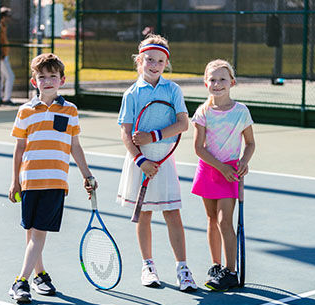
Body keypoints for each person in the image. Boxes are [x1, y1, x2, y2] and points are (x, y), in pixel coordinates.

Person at [8, 53, 96, 302]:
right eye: (42, 77)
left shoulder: (70, 110)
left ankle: (20, 281)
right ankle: (39, 276)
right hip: (29, 181)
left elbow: (75, 146)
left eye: (53, 76)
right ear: (34, 81)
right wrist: (15, 181)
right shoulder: (25, 111)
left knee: (38, 233)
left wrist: (87, 174)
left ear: (62, 80)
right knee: (32, 231)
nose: (48, 80)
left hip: (56, 181)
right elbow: (19, 148)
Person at [116, 34, 198, 292]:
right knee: (144, 214)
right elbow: (126, 133)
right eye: (150, 59)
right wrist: (140, 160)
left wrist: (154, 136)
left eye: (160, 61)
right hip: (140, 161)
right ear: (140, 60)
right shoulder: (131, 94)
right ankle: (148, 266)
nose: (154, 64)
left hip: (163, 160)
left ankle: (182, 269)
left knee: (172, 213)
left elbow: (184, 123)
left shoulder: (173, 90)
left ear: (166, 63)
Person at [191, 59, 255, 291]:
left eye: (222, 79)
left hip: (230, 174)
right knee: (210, 219)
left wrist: (243, 162)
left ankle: (230, 271)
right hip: (209, 169)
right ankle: (216, 265)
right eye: (213, 80)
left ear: (232, 83)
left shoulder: (241, 112)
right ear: (205, 83)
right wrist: (221, 167)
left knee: (223, 221)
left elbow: (249, 143)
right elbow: (198, 148)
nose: (217, 84)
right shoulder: (203, 112)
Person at [0, 6, 15, 105]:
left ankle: (0, 97)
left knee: (3, 77)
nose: (9, 18)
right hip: (0, 56)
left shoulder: (3, 26)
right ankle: (6, 99)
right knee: (10, 76)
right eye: (8, 16)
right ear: (3, 16)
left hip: (4, 55)